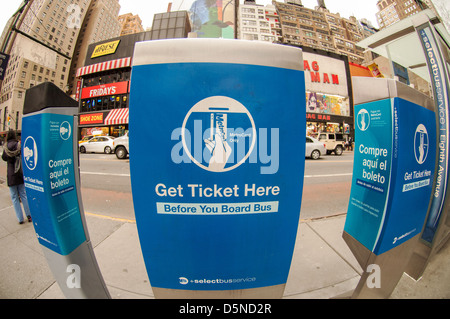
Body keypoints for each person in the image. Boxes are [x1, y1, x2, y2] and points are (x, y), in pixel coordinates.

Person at [2, 130, 32, 224]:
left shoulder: (6, 147)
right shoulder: (19, 145)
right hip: (19, 173)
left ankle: (20, 219)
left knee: (14, 197)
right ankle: (29, 215)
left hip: (11, 175)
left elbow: (4, 158)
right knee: (23, 194)